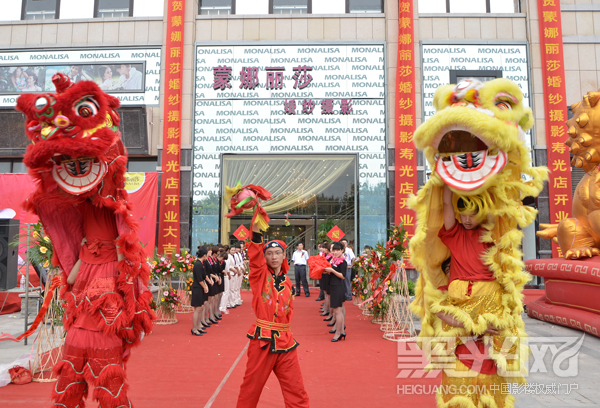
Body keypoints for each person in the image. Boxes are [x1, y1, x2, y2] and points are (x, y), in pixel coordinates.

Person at [436, 184, 509, 406]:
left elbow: (499, 206)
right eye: (463, 215)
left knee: (490, 358)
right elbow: (447, 203)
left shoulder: (490, 233)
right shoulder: (455, 232)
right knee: (462, 358)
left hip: (489, 302)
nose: (467, 219)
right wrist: (448, 176)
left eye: (472, 214)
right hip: (463, 303)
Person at [236, 219, 310, 408]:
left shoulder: (287, 281)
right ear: (264, 257)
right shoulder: (260, 276)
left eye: (278, 253)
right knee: (251, 389)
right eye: (269, 253)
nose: (274, 257)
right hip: (263, 341)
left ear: (284, 255)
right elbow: (254, 253)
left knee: (297, 391)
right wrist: (256, 215)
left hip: (286, 341)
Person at [324, 241, 347, 342]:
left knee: (338, 310)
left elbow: (342, 276)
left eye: (338, 250)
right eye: (334, 250)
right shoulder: (333, 260)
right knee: (338, 310)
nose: (336, 252)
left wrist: (332, 270)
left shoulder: (343, 262)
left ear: (342, 250)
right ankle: (341, 331)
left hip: (338, 287)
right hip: (332, 286)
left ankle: (338, 332)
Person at [191, 248, 209, 336]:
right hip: (197, 288)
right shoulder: (197, 264)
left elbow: (203, 276)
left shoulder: (201, 264)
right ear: (204, 255)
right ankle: (194, 328)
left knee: (201, 307)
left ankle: (198, 326)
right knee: (197, 309)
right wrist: (205, 287)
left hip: (200, 288)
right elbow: (199, 279)